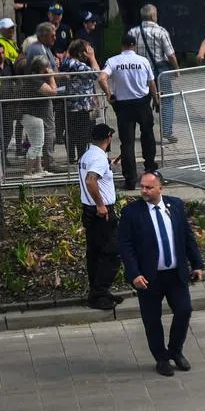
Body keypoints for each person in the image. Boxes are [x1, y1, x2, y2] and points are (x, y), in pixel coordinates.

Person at [117, 171, 205, 377]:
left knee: (184, 310)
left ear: (160, 188)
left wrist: (197, 264)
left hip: (175, 275)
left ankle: (175, 350)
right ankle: (161, 358)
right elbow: (125, 246)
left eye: (149, 187)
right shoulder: (132, 212)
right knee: (152, 320)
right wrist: (134, 274)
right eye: (142, 187)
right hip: (149, 278)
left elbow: (187, 237)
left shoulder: (175, 206)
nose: (144, 191)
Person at [98, 33, 159, 191]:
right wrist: (156, 99)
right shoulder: (143, 61)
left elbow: (101, 78)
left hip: (123, 105)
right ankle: (150, 169)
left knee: (127, 143)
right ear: (135, 46)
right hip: (142, 103)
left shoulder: (113, 61)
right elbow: (151, 82)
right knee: (148, 136)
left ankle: (130, 179)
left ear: (122, 45)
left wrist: (109, 94)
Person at [78, 123, 124, 311]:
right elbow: (90, 180)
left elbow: (93, 174)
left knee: (95, 254)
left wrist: (110, 165)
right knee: (112, 253)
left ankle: (99, 292)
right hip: (101, 212)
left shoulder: (88, 155)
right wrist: (100, 205)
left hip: (89, 211)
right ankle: (99, 294)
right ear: (108, 138)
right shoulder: (98, 157)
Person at [129, 4, 179, 144]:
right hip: (160, 71)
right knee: (167, 99)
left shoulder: (133, 32)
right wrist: (176, 69)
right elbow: (170, 54)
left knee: (143, 101)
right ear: (153, 16)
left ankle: (145, 130)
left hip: (141, 72)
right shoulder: (161, 32)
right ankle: (167, 132)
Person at [58, 39, 100, 165]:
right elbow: (96, 74)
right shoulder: (77, 64)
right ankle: (82, 159)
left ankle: (72, 157)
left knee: (71, 131)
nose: (89, 52)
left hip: (73, 103)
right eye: (88, 50)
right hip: (79, 105)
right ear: (81, 52)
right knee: (81, 133)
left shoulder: (67, 61)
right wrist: (92, 58)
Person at [18, 55, 58, 179]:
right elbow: (53, 92)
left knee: (38, 143)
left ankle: (39, 169)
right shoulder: (35, 80)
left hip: (36, 117)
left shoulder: (37, 79)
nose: (47, 71)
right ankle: (28, 173)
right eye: (45, 69)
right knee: (36, 144)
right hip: (32, 117)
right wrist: (51, 77)